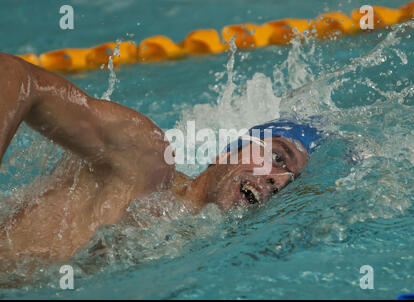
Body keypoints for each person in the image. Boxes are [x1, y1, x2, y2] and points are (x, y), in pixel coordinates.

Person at [0, 52, 320, 263]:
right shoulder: (144, 160)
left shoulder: (194, 251)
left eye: (289, 182)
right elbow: (16, 75)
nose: (277, 180)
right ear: (228, 150)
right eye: (278, 157)